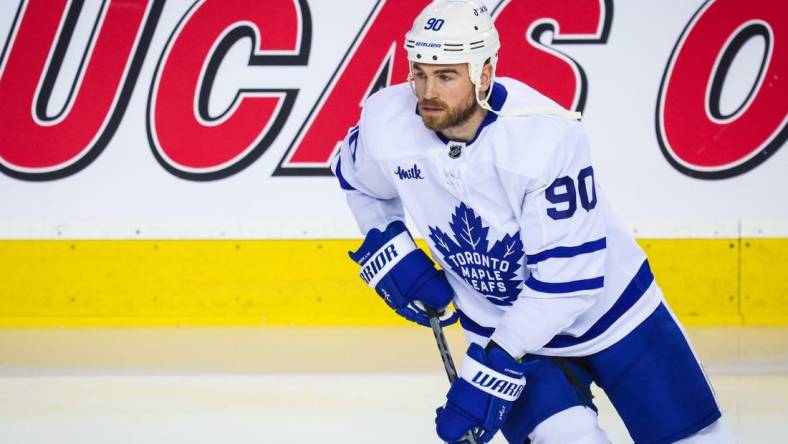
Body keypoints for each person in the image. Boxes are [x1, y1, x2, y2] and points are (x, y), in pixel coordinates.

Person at [331, 1, 737, 443]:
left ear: (483, 73)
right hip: (502, 325)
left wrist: (493, 363)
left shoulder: (544, 138)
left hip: (616, 316)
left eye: (446, 76)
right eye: (420, 72)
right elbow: (358, 182)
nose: (427, 91)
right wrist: (390, 248)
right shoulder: (386, 123)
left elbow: (569, 284)